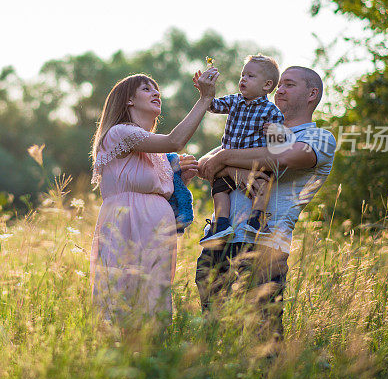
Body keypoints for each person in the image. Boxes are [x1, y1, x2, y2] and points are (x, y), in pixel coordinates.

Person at [194, 66, 336, 339]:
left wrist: (225, 158)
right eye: (279, 84)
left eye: (289, 85)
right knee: (214, 338)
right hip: (217, 243)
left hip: (264, 248)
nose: (280, 90)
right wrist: (239, 171)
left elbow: (283, 157)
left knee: (261, 339)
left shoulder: (319, 137)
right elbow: (205, 165)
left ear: (312, 94)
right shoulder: (254, 135)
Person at [90, 69, 218, 325]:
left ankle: (150, 353)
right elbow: (175, 141)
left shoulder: (154, 151)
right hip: (127, 221)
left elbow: (163, 190)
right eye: (147, 89)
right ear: (129, 100)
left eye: (156, 89)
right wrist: (205, 100)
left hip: (157, 229)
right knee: (126, 291)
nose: (156, 92)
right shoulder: (119, 132)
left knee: (153, 297)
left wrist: (183, 178)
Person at [196, 54, 284, 248]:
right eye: (243, 75)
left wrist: (276, 133)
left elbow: (278, 148)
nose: (243, 79)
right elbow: (212, 106)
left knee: (262, 185)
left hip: (249, 161)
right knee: (219, 189)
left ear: (267, 85)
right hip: (228, 161)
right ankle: (222, 224)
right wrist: (206, 92)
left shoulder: (272, 111)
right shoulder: (235, 101)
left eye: (250, 76)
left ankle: (257, 219)